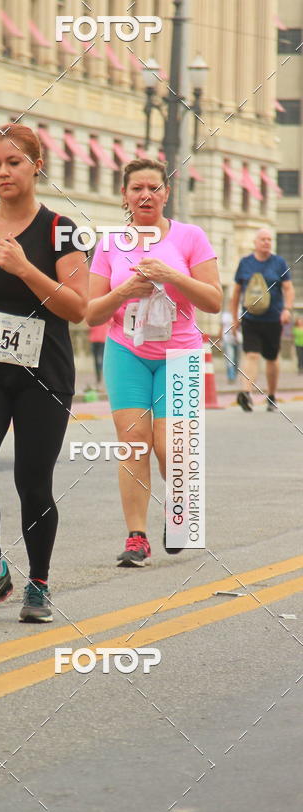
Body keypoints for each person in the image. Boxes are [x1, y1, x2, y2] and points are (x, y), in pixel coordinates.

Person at [0, 123, 88, 623]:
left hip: (43, 375)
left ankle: (40, 584)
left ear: (36, 165)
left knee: (33, 482)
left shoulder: (60, 230)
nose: (3, 172)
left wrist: (26, 268)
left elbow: (76, 308)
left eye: (14, 163)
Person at [86, 158, 222, 567]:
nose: (145, 195)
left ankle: (179, 513)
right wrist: (125, 288)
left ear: (166, 193)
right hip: (126, 351)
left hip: (180, 354)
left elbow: (213, 301)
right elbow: (91, 313)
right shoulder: (109, 244)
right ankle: (136, 537)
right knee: (133, 444)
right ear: (124, 197)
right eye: (136, 188)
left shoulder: (190, 237)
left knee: (171, 446)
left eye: (153, 187)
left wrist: (172, 276)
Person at [231, 229, 295, 412]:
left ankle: (272, 395)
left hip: (274, 319)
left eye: (269, 239)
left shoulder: (279, 263)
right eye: (263, 239)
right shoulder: (245, 263)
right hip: (250, 318)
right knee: (251, 354)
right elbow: (236, 293)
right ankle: (245, 393)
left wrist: (287, 310)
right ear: (255, 242)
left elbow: (289, 289)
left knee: (271, 358)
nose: (266, 242)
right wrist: (235, 317)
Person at [220, 305, 241, 383]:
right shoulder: (225, 315)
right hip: (227, 340)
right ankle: (231, 377)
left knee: (236, 359)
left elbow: (238, 326)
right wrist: (220, 339)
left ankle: (234, 375)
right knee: (230, 359)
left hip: (237, 340)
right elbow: (221, 327)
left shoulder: (239, 313)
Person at [89, 322, 109, 386]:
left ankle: (103, 378)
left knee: (101, 360)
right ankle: (99, 379)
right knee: (96, 361)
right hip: (94, 340)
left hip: (102, 340)